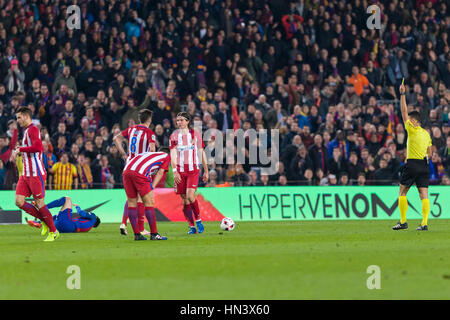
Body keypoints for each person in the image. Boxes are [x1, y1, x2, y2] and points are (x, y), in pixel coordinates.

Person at [11, 107, 59, 241]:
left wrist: (21, 148)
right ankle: (43, 221)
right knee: (19, 201)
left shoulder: (33, 129)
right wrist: (20, 150)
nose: (18, 120)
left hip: (35, 173)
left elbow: (38, 148)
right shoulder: (27, 131)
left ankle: (53, 231)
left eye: (19, 117)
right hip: (26, 174)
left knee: (40, 203)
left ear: (26, 116)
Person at [393, 81, 432, 231]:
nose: (407, 120)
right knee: (424, 195)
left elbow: (403, 112)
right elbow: (430, 153)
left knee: (402, 192)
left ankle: (403, 222)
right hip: (424, 165)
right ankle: (424, 223)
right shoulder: (426, 134)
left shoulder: (413, 129)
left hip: (413, 164)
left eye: (410, 119)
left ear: (415, 121)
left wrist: (402, 94)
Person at [113, 109, 159, 237]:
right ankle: (141, 228)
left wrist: (123, 154)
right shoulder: (150, 133)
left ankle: (124, 223)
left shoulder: (131, 129)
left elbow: (116, 138)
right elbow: (152, 149)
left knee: (131, 198)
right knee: (144, 198)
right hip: (141, 168)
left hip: (129, 166)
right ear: (149, 120)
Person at [170, 112, 208, 234]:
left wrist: (206, 170)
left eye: (181, 120)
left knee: (190, 196)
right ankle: (191, 226)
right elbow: (172, 155)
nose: (179, 122)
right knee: (185, 200)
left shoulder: (195, 135)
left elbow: (202, 153)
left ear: (187, 121)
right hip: (180, 172)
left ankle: (198, 220)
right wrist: (175, 172)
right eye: (177, 120)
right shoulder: (174, 136)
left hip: (193, 170)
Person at [122, 151, 171, 240]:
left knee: (132, 203)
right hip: (140, 173)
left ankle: (137, 235)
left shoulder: (148, 154)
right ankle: (154, 234)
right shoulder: (167, 156)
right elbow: (160, 173)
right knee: (149, 202)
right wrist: (152, 187)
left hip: (126, 171)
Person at [27, 196, 100, 233]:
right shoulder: (88, 228)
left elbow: (81, 213)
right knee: (57, 216)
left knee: (67, 199)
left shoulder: (93, 217)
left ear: (96, 218)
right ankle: (40, 223)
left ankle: (42, 207)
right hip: (62, 229)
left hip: (67, 224)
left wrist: (78, 207)